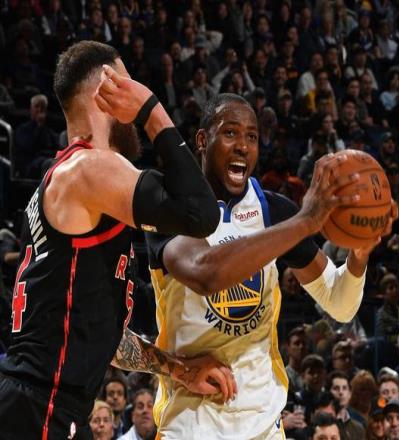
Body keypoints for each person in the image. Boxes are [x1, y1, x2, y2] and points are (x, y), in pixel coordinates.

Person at [0, 41, 234, 439]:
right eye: (128, 85)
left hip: (44, 406)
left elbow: (105, 339)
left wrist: (178, 369)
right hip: (38, 410)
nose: (134, 95)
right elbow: (201, 213)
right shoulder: (88, 170)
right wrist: (152, 110)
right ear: (106, 91)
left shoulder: (72, 183)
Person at [145, 92, 398, 439]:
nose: (243, 146)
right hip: (190, 422)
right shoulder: (169, 205)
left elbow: (340, 303)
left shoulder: (273, 212)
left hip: (263, 423)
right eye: (230, 133)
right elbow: (204, 273)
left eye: (252, 136)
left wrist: (359, 254)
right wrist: (304, 222)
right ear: (202, 140)